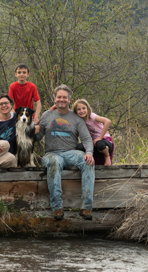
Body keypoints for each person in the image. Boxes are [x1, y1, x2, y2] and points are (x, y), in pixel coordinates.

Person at [35, 84, 95, 221]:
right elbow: (38, 137)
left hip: (71, 153)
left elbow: (86, 139)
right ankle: (57, 208)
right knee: (54, 162)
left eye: (64, 97)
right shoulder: (46, 115)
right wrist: (33, 131)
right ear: (55, 99)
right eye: (59, 97)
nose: (61, 99)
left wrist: (89, 153)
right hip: (51, 154)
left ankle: (86, 206)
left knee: (88, 162)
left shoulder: (76, 118)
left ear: (69, 100)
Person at [73, 99, 114, 166]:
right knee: (79, 147)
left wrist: (100, 137)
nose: (82, 111)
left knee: (99, 144)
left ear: (88, 109)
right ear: (75, 112)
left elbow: (108, 121)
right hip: (93, 142)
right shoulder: (79, 121)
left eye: (84, 108)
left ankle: (107, 156)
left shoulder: (92, 116)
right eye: (79, 109)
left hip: (105, 140)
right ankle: (84, 163)